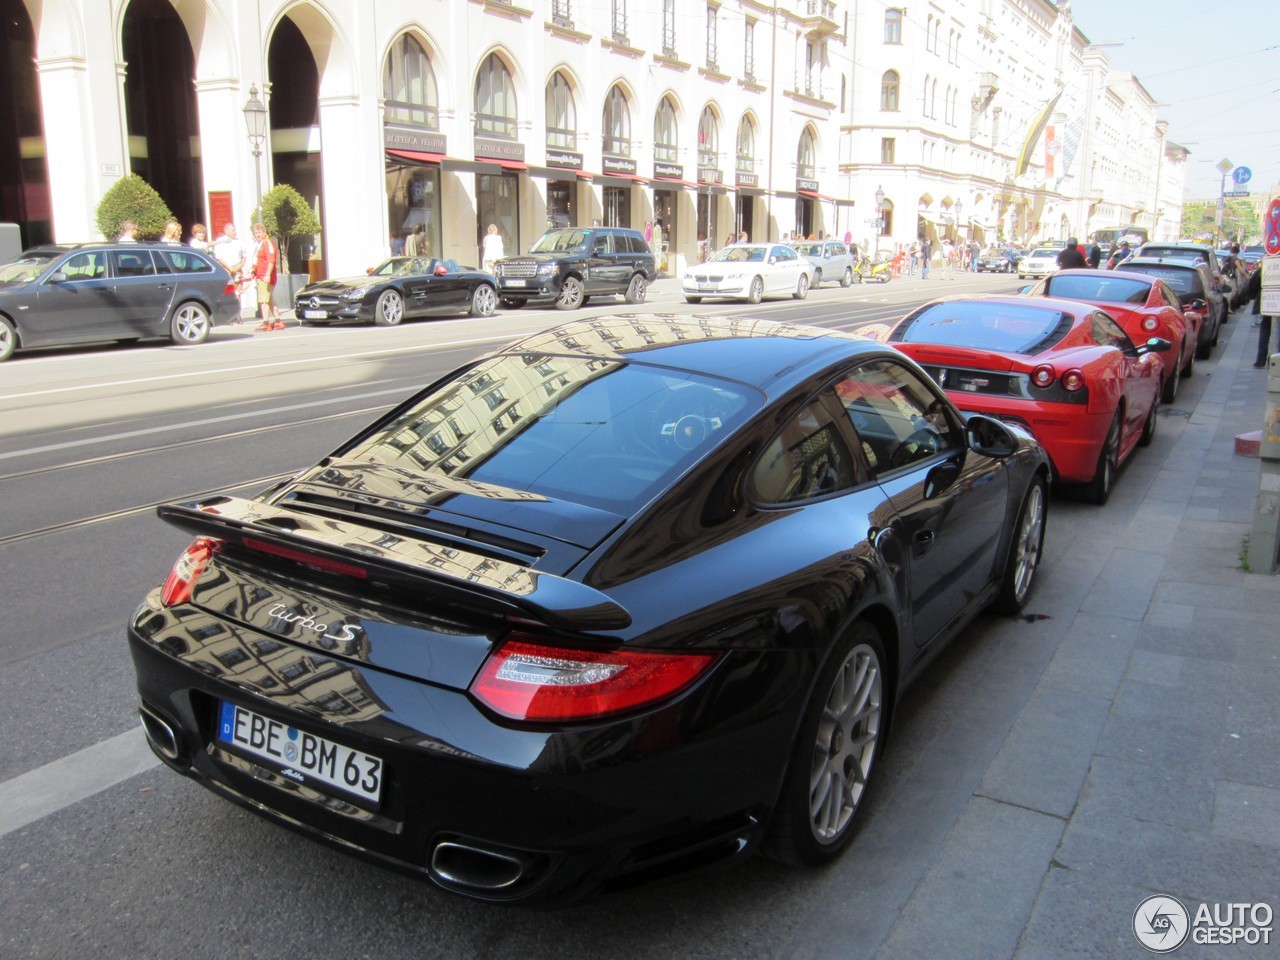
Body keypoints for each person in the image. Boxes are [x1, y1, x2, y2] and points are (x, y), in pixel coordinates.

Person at [249, 223, 283, 331]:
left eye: (259, 232)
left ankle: (266, 323)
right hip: (260, 275)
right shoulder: (259, 244)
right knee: (269, 299)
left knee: (263, 300)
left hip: (265, 276)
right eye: (256, 233)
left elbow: (271, 261)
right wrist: (253, 271)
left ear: (264, 233)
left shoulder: (267, 244)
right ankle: (278, 321)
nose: (257, 234)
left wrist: (267, 274)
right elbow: (257, 261)